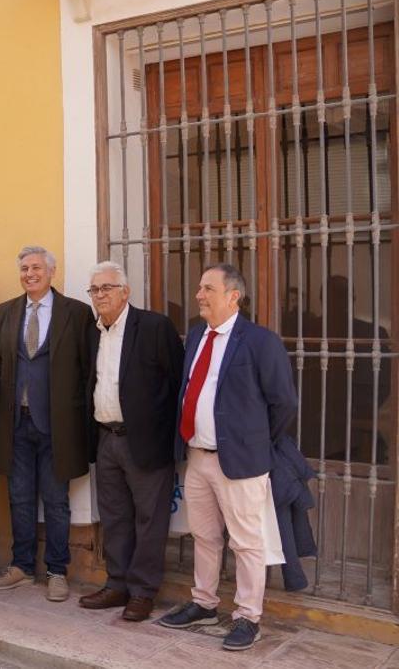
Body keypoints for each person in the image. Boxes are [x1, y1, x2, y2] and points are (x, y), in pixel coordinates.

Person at [159, 264, 297, 651]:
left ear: (233, 296)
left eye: (208, 289)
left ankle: (247, 616)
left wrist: (253, 442)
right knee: (204, 535)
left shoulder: (259, 341)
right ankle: (204, 603)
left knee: (246, 542)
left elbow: (283, 402)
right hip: (198, 456)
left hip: (239, 461)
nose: (199, 295)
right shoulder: (197, 336)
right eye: (199, 288)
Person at [0, 246, 93, 602]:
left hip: (58, 426)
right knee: (20, 499)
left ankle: (57, 571)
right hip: (15, 423)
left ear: (51, 272)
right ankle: (22, 567)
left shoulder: (76, 312)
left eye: (36, 268)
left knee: (57, 501)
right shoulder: (7, 311)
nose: (29, 274)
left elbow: (88, 367)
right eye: (24, 269)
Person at [78, 262, 183, 621]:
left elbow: (176, 385)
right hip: (106, 438)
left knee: (149, 520)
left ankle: (143, 591)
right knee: (114, 517)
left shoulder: (154, 327)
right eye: (94, 290)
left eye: (107, 288)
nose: (100, 295)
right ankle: (117, 584)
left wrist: (167, 439)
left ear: (126, 291)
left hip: (145, 442)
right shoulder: (93, 332)